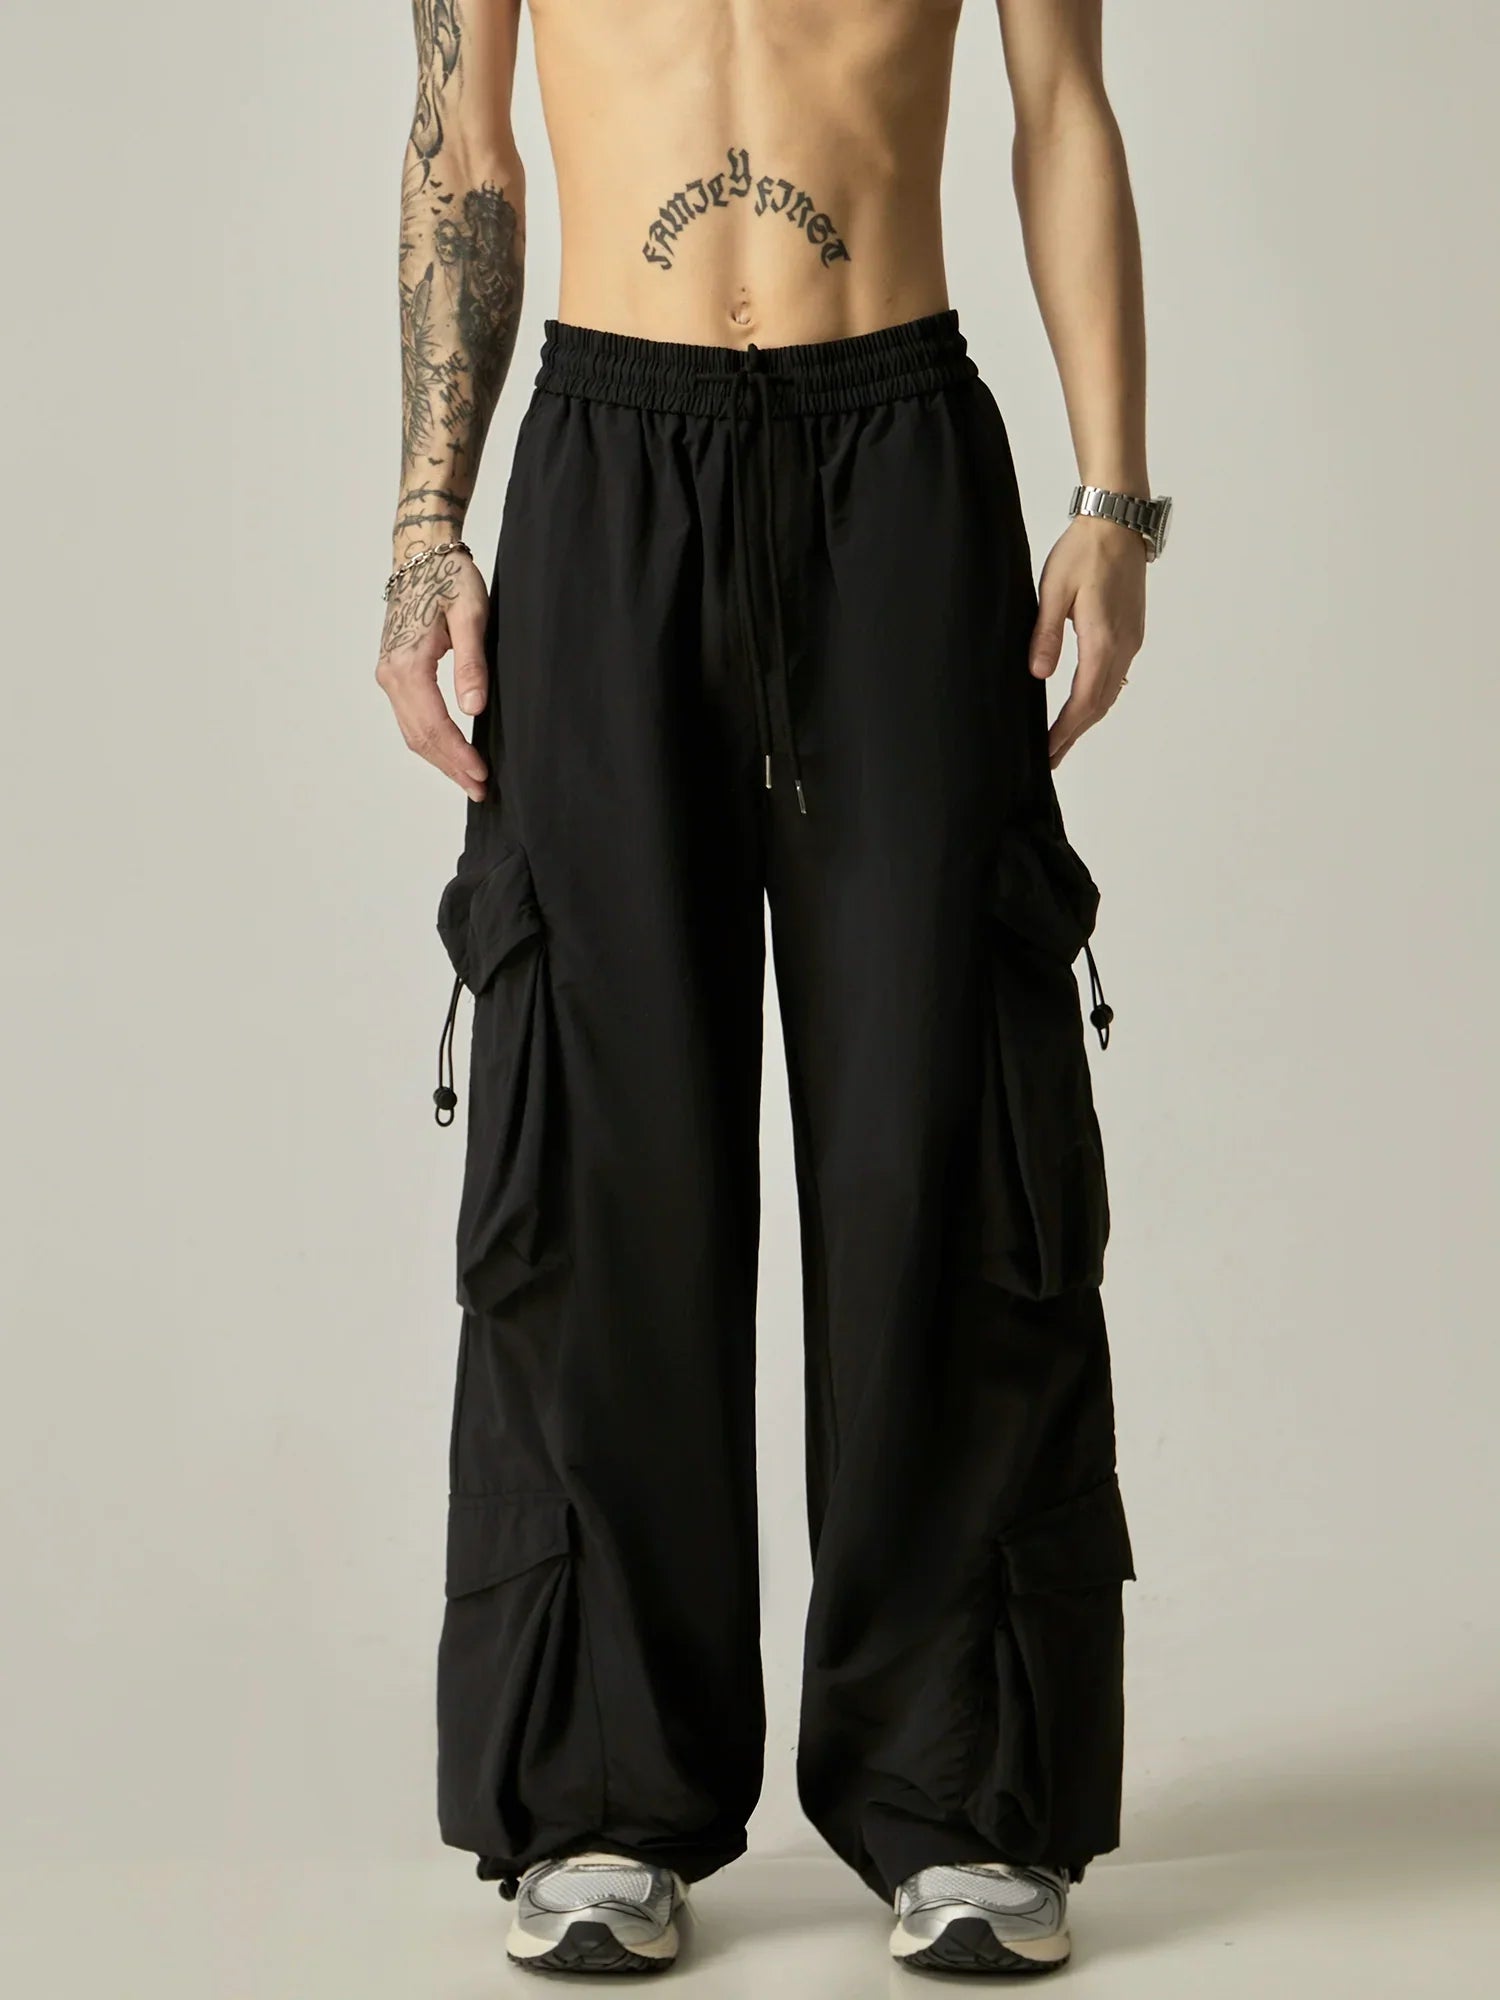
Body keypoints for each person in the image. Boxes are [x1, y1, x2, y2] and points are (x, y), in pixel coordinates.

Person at [376, 0, 1167, 1976]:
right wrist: (422, 530)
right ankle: (604, 1796)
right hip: (605, 448)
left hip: (895, 442)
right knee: (605, 1137)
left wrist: (1114, 496)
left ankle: (956, 1793)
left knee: (935, 1124)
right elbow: (464, 147)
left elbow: (1061, 104)